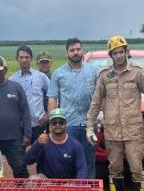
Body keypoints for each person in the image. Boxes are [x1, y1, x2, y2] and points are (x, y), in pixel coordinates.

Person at [86, 35, 144, 191]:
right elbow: (95, 103)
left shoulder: (137, 73)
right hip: (112, 131)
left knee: (137, 168)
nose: (119, 56)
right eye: (115, 53)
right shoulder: (104, 76)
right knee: (114, 168)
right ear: (110, 55)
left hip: (133, 130)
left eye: (121, 52)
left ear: (127, 52)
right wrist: (89, 127)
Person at [47, 38, 99, 178]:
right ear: (67, 53)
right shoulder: (58, 74)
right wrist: (52, 123)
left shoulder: (93, 71)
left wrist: (102, 116)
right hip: (68, 124)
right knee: (67, 160)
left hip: (90, 124)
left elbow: (101, 96)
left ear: (82, 50)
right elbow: (52, 98)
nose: (75, 52)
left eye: (78, 49)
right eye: (72, 50)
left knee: (89, 160)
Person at [25, 108, 87, 179]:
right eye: (54, 123)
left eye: (61, 122)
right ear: (50, 125)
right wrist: (37, 144)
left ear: (66, 124)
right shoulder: (42, 141)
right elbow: (27, 160)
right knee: (32, 180)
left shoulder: (76, 145)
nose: (57, 125)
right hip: (46, 182)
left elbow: (82, 170)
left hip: (68, 184)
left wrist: (79, 187)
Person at [10, 45, 50, 143]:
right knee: (24, 154)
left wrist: (48, 114)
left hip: (39, 123)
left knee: (40, 154)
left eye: (27, 57)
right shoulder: (12, 80)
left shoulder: (41, 77)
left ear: (31, 58)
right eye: (21, 57)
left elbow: (52, 94)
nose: (24, 60)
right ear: (17, 59)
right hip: (21, 125)